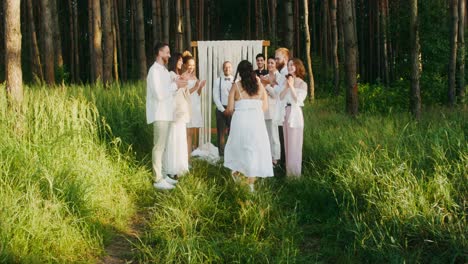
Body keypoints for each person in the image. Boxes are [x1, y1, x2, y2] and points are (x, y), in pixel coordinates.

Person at [224, 60, 274, 193]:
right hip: (256, 121)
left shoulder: (235, 86)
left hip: (240, 121)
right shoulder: (259, 85)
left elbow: (229, 109)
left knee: (239, 148)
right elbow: (265, 107)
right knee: (253, 151)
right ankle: (250, 184)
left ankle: (238, 176)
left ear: (239, 72)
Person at [146, 42, 187, 190]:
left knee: (163, 147)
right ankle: (157, 179)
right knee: (158, 147)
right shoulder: (154, 71)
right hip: (159, 114)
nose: (169, 55)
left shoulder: (163, 70)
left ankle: (163, 175)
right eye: (167, 53)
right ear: (159, 53)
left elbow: (168, 92)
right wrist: (175, 85)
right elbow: (159, 94)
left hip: (167, 113)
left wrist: (177, 85)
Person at [164, 52, 191, 179]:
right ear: (174, 61)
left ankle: (180, 167)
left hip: (182, 111)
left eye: (181, 61)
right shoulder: (170, 75)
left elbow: (185, 93)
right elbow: (169, 92)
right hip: (174, 111)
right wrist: (179, 82)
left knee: (181, 138)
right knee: (173, 138)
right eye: (179, 60)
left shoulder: (179, 75)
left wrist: (185, 82)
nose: (181, 63)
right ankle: (171, 168)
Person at [279, 58, 308, 176]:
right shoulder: (285, 82)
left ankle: (296, 174)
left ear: (298, 67)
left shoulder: (302, 83)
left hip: (295, 113)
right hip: (286, 112)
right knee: (287, 143)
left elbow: (298, 99)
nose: (290, 67)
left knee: (295, 144)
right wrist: (287, 86)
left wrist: (291, 85)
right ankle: (288, 173)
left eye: (292, 65)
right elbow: (280, 97)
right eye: (289, 65)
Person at [260, 56, 285, 166]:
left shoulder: (280, 77)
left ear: (276, 65)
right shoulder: (264, 77)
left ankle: (276, 159)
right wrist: (264, 85)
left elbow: (277, 94)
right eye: (269, 63)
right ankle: (267, 157)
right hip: (264, 109)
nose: (270, 65)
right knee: (266, 135)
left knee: (275, 136)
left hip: (274, 109)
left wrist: (267, 86)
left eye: (272, 63)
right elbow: (260, 93)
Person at [183, 51, 206, 157]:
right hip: (188, 106)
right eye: (189, 65)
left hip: (195, 106)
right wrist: (196, 86)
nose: (191, 67)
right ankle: (186, 158)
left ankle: (189, 155)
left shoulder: (194, 77)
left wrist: (200, 87)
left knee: (191, 133)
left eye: (193, 65)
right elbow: (185, 93)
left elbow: (198, 94)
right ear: (185, 65)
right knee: (187, 134)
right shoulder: (184, 76)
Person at [213, 61, 233, 157]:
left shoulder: (235, 81)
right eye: (225, 67)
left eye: (229, 67)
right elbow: (215, 97)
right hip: (221, 109)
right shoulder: (218, 80)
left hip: (232, 109)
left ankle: (231, 154)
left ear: (232, 68)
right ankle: (221, 155)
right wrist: (223, 109)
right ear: (223, 68)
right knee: (221, 134)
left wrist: (230, 108)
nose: (227, 69)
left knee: (232, 133)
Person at [274, 47, 290, 165]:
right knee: (281, 138)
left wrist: (270, 83)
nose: (276, 61)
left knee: (284, 138)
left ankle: (285, 165)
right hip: (280, 110)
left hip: (285, 111)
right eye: (275, 59)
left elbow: (280, 93)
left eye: (277, 59)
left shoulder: (286, 73)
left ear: (285, 58)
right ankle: (283, 163)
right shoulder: (281, 73)